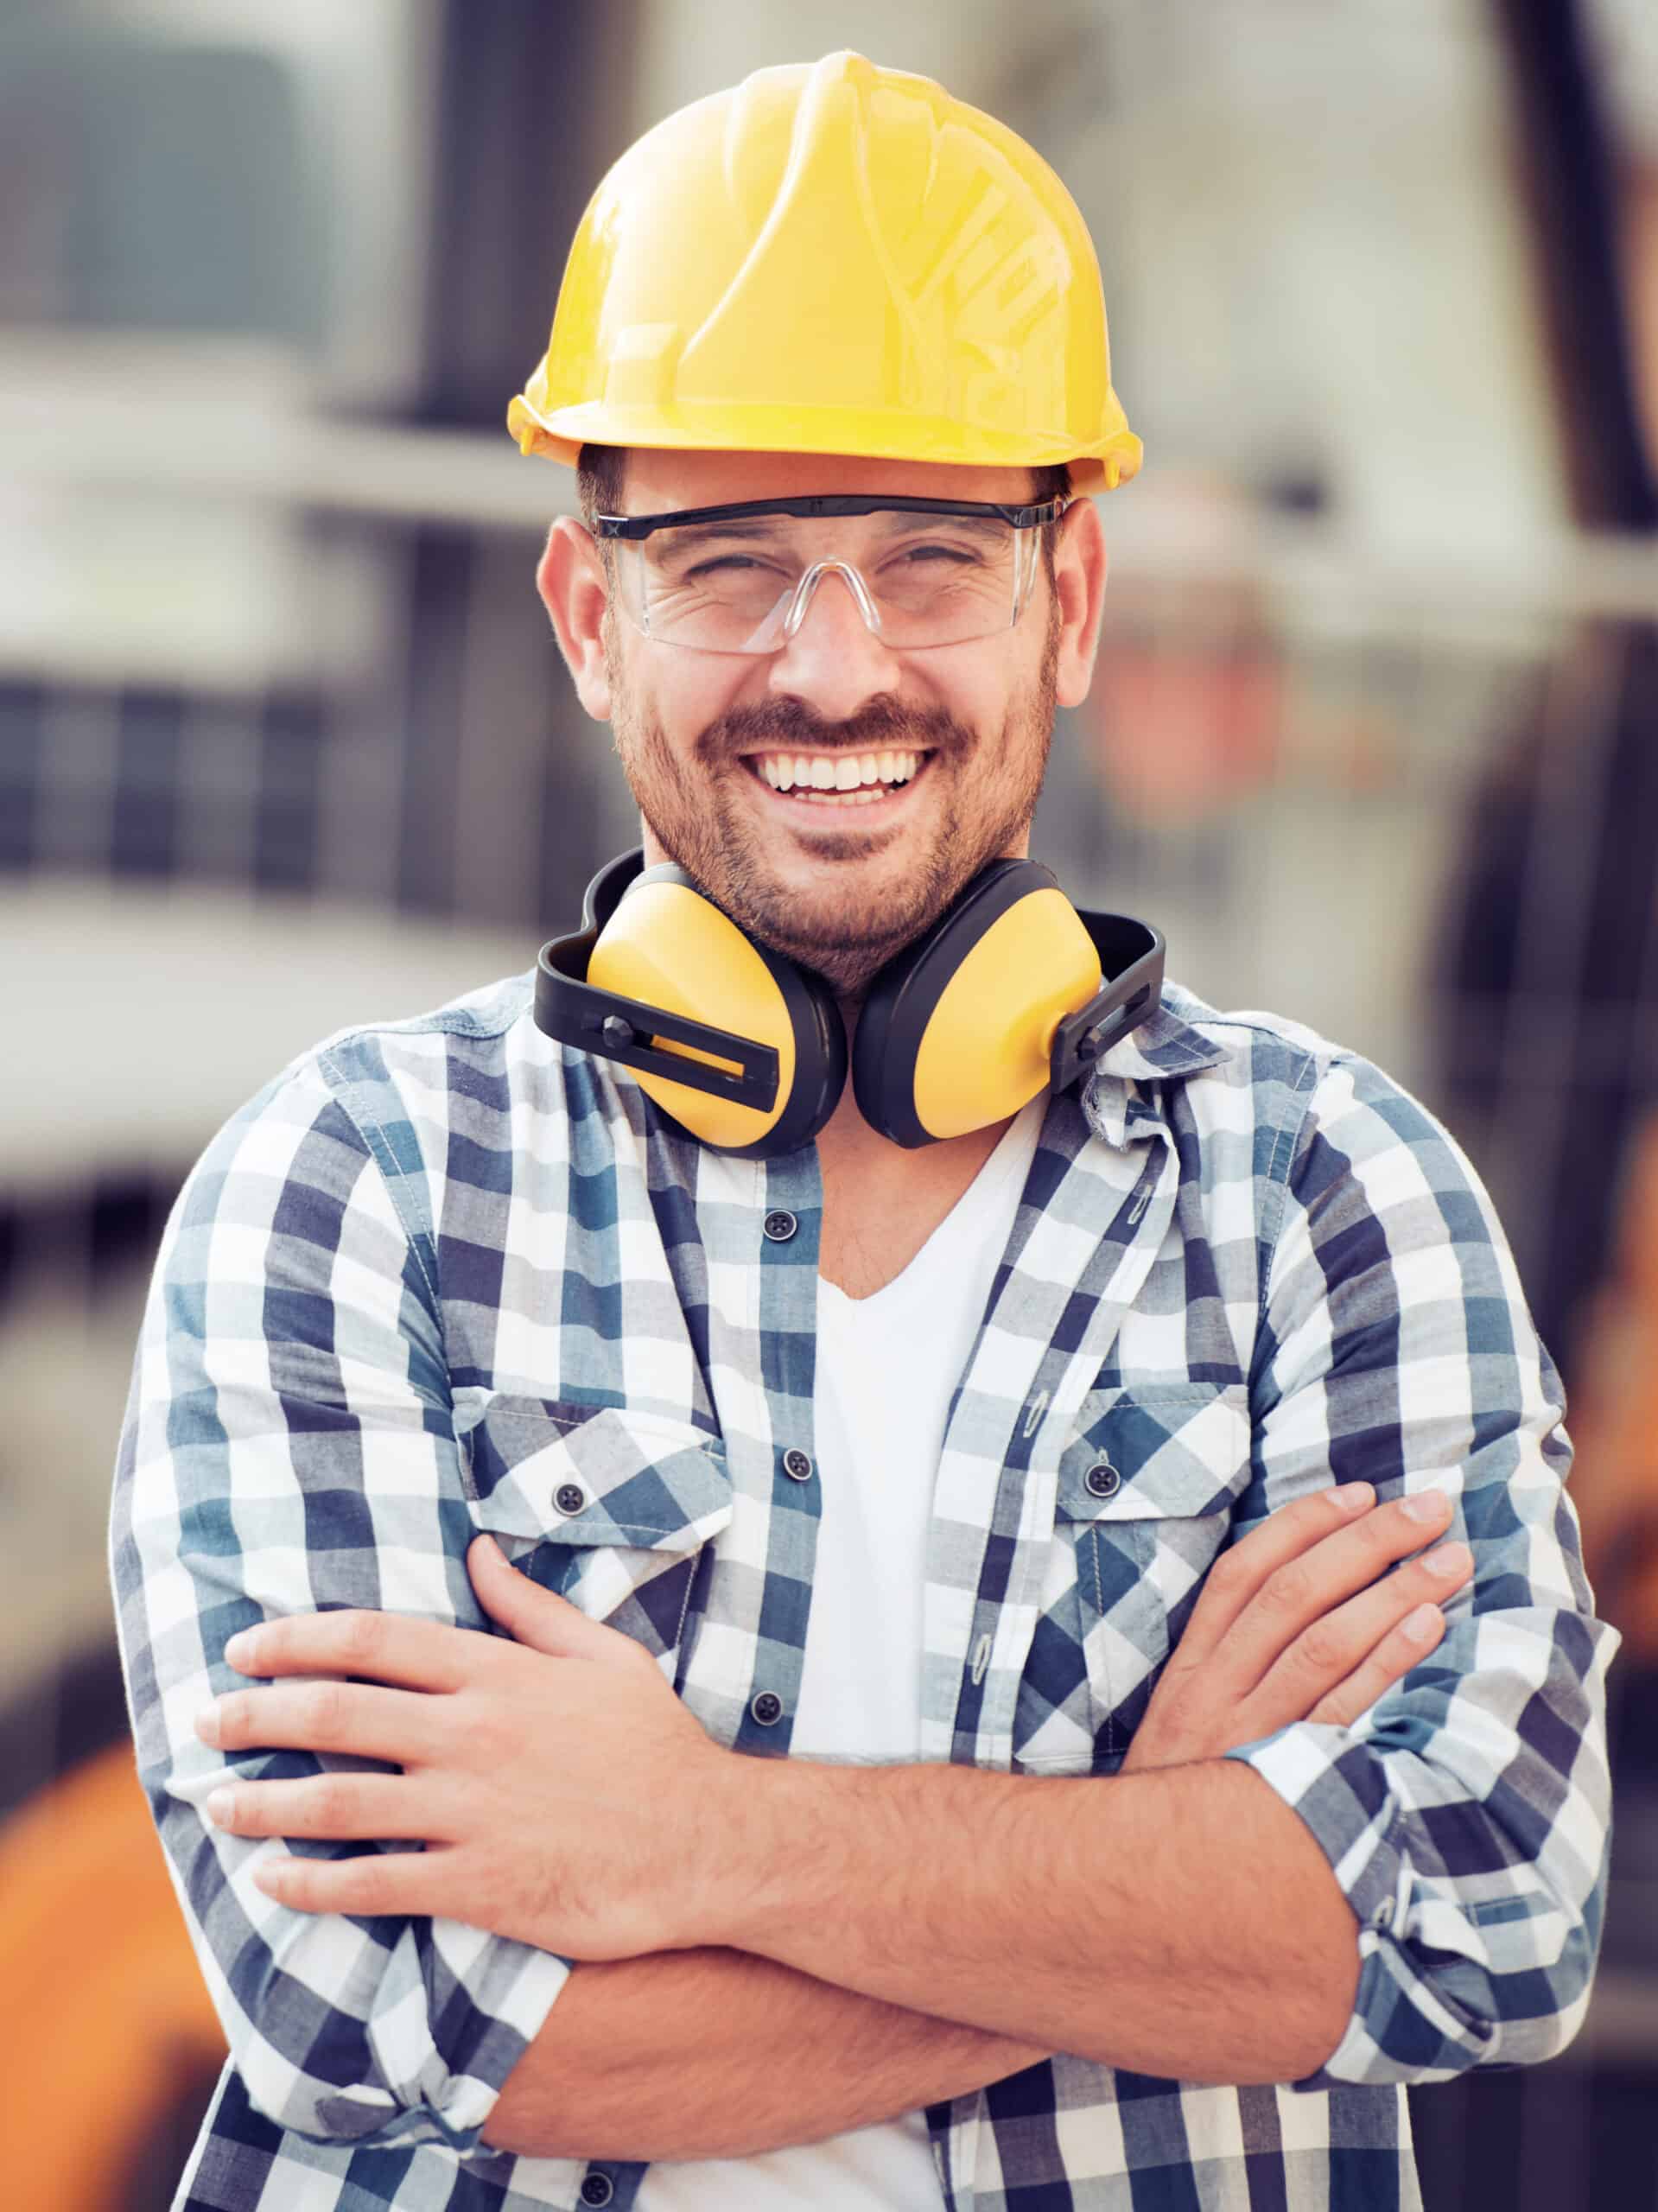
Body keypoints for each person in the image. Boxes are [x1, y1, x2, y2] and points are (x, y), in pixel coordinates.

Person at [111, 53, 1616, 2212]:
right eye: (728, 562)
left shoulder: (1332, 1201)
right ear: (589, 613)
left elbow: (1474, 1913)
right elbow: (375, 2016)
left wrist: (694, 1835)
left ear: (1070, 603)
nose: (837, 667)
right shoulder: (352, 1190)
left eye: (931, 559)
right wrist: (1166, 1836)